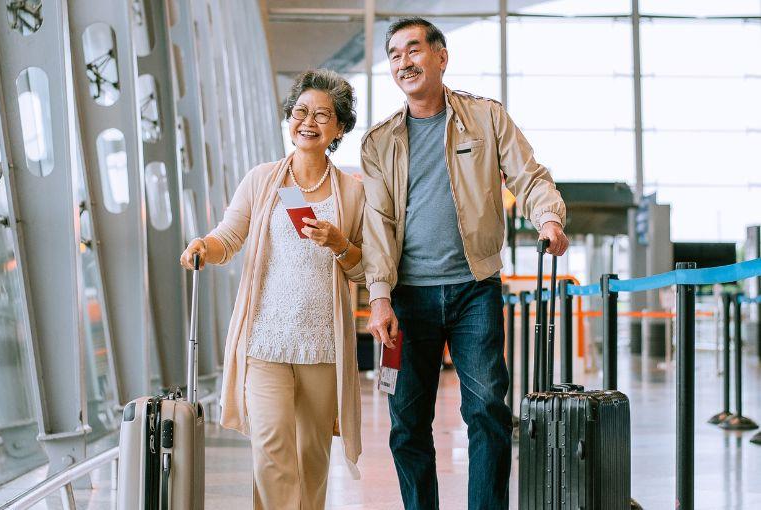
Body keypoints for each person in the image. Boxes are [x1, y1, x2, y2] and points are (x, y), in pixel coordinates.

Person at [360, 17, 569, 509]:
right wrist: (379, 298)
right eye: (394, 55)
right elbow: (377, 225)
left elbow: (530, 176)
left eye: (413, 50)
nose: (403, 62)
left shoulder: (485, 118)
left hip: (475, 287)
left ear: (440, 56)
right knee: (407, 425)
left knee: (488, 413)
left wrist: (548, 219)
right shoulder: (379, 142)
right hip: (408, 297)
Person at [179, 69, 364, 510]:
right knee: (270, 449)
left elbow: (364, 268)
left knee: (312, 456)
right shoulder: (262, 180)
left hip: (321, 346)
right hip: (265, 340)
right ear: (289, 117)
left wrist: (339, 243)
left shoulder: (354, 194)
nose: (309, 122)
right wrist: (204, 245)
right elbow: (229, 236)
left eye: (323, 115)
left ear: (338, 128)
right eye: (301, 111)